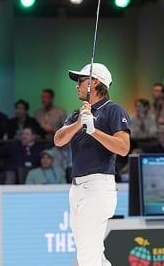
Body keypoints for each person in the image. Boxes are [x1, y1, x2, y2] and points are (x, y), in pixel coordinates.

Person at [54, 63, 130, 266]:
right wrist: (80, 123)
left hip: (98, 187)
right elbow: (59, 140)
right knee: (89, 252)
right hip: (77, 188)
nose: (76, 85)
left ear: (94, 82)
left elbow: (123, 147)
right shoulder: (78, 113)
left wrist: (93, 130)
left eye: (80, 80)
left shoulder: (113, 110)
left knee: (88, 256)